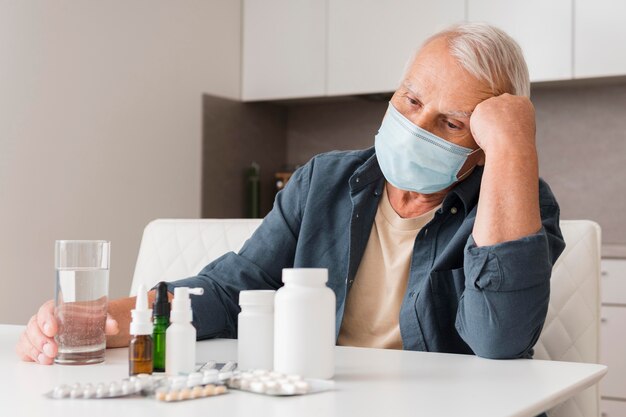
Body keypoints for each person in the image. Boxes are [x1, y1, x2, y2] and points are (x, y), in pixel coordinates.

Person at [17, 22, 565, 365]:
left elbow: (499, 343)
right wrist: (102, 316)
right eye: (411, 98)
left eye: (451, 123)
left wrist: (514, 151)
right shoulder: (324, 180)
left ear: (482, 148)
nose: (418, 125)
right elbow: (233, 289)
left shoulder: (518, 201)